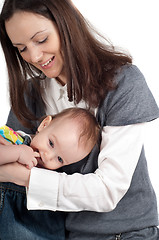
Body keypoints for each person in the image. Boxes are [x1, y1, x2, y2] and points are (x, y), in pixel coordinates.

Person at [0, 0, 159, 239]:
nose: (33, 55)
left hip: (126, 232)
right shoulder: (31, 95)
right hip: (64, 233)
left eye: (41, 40)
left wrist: (24, 177)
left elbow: (107, 190)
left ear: (67, 22)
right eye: (21, 48)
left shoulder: (122, 84)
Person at [0, 108, 100, 170]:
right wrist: (18, 153)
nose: (48, 157)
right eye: (51, 143)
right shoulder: (13, 138)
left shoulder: (45, 176)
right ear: (44, 125)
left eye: (60, 159)